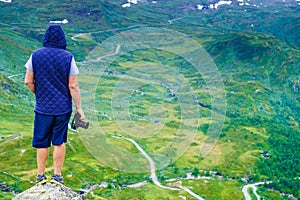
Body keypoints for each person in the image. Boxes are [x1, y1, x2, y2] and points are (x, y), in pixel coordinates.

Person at [24, 25, 85, 185]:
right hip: (62, 108)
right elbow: (73, 85)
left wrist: (40, 93)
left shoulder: (35, 55)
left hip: (42, 108)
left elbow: (28, 81)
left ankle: (40, 176)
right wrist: (79, 109)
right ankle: (57, 176)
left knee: (42, 142)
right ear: (62, 39)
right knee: (59, 141)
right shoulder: (68, 57)